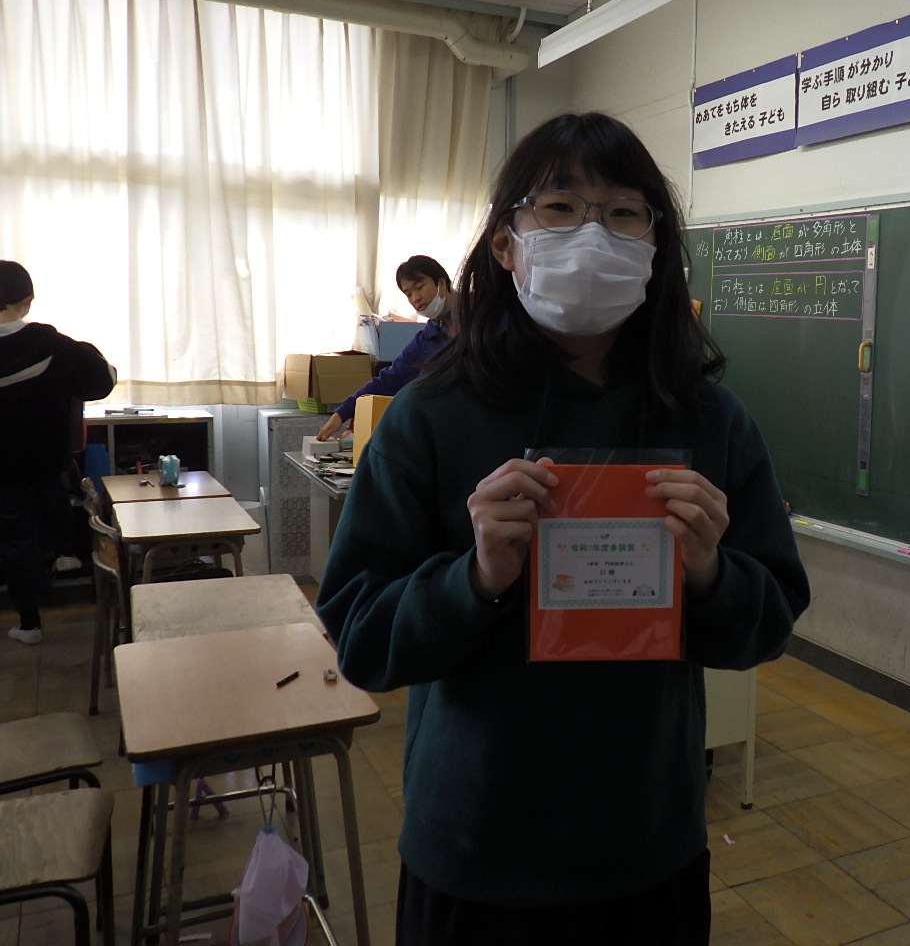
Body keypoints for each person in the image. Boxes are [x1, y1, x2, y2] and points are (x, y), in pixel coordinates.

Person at [317, 112, 810, 945]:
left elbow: (768, 622)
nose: (592, 234)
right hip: (475, 847)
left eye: (622, 212)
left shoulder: (708, 418)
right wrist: (474, 579)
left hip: (646, 844)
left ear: (655, 245)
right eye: (559, 208)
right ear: (506, 244)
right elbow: (361, 639)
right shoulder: (430, 418)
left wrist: (710, 574)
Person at [0, 261, 116, 645]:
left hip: (4, 471)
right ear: (28, 300)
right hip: (48, 460)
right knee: (56, 499)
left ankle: (30, 623)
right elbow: (101, 380)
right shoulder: (50, 343)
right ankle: (66, 554)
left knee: (16, 538)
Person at [314, 255, 454, 441]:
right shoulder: (427, 338)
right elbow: (389, 379)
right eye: (408, 294)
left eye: (419, 287)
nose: (416, 298)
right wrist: (342, 412)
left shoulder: (481, 319)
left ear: (442, 283)